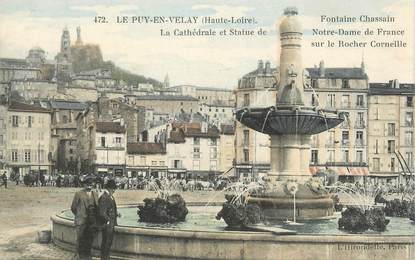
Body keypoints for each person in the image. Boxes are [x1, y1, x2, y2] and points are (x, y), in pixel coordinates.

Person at [71, 176, 99, 260]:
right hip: (81, 221)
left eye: (91, 185)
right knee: (79, 239)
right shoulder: (78, 194)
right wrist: (79, 215)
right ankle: (77, 256)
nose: (89, 186)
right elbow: (73, 207)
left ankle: (87, 255)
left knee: (89, 239)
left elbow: (97, 207)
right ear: (84, 185)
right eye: (87, 184)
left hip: (90, 221)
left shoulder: (95, 194)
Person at [98, 179, 120, 260]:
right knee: (106, 243)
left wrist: (117, 213)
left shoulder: (110, 196)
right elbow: (102, 212)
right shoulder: (104, 197)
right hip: (107, 225)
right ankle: (104, 258)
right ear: (108, 188)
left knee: (108, 243)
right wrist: (108, 221)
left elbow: (110, 209)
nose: (114, 190)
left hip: (110, 224)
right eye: (113, 188)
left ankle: (106, 258)